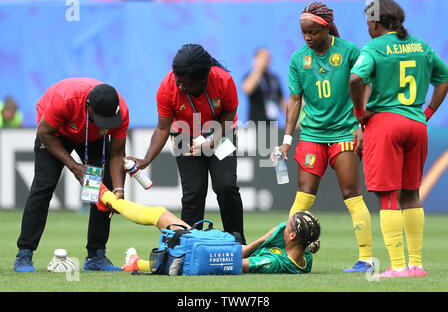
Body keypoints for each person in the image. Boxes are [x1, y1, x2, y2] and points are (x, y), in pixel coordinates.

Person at [349, 0, 448, 278]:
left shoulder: (374, 47)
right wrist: (427, 112)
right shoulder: (421, 46)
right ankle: (415, 265)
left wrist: (359, 112)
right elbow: (444, 78)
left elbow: (356, 79)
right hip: (416, 123)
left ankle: (397, 266)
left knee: (389, 197)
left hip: (385, 124)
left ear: (374, 22)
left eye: (368, 21)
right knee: (412, 194)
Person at [275, 2, 373, 273]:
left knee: (351, 193)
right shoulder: (298, 59)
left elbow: (366, 85)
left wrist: (362, 121)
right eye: (303, 33)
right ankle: (289, 254)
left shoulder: (349, 51)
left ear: (326, 28)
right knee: (303, 196)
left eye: (312, 33)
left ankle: (366, 259)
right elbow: (295, 100)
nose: (307, 38)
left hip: (344, 131)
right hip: (312, 134)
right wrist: (286, 139)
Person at [125, 44, 246, 244]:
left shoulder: (223, 80)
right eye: (178, 80)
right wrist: (146, 160)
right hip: (184, 135)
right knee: (193, 194)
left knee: (225, 187)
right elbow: (163, 128)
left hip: (221, 134)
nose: (180, 86)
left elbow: (229, 112)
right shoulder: (167, 87)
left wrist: (212, 141)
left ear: (203, 80)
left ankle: (238, 242)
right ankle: (189, 244)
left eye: (186, 84)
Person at [14, 77, 129, 272]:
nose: (105, 123)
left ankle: (96, 255)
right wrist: (75, 167)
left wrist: (119, 190)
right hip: (54, 133)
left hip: (93, 139)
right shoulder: (65, 99)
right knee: (44, 185)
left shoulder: (121, 111)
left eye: (108, 120)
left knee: (102, 190)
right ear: (88, 106)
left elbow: (117, 154)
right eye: (100, 117)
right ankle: (24, 253)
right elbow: (44, 133)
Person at [95, 182, 321, 274]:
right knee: (166, 225)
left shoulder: (272, 262)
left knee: (159, 215)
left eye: (287, 227)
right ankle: (135, 264)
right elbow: (300, 246)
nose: (282, 228)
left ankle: (107, 198)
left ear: (292, 235)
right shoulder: (304, 258)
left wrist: (264, 238)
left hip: (218, 251)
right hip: (222, 245)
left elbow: (232, 260)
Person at [242, 48, 287, 123]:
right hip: (255, 123)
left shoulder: (274, 79)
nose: (266, 61)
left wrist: (292, 120)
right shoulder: (250, 76)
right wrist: (258, 69)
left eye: (268, 59)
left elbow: (282, 101)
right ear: (255, 59)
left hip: (272, 124)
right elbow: (247, 89)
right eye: (263, 58)